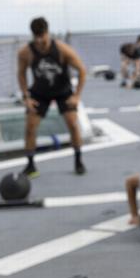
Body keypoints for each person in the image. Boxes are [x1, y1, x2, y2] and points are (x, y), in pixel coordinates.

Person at [17, 16, 88, 177]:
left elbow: (82, 71)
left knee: (73, 124)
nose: (40, 40)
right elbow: (21, 74)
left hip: (63, 91)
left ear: (48, 33)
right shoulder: (25, 52)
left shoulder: (63, 50)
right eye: (36, 37)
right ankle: (30, 165)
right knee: (30, 128)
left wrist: (77, 96)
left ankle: (78, 160)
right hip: (40, 93)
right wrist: (26, 97)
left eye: (42, 36)